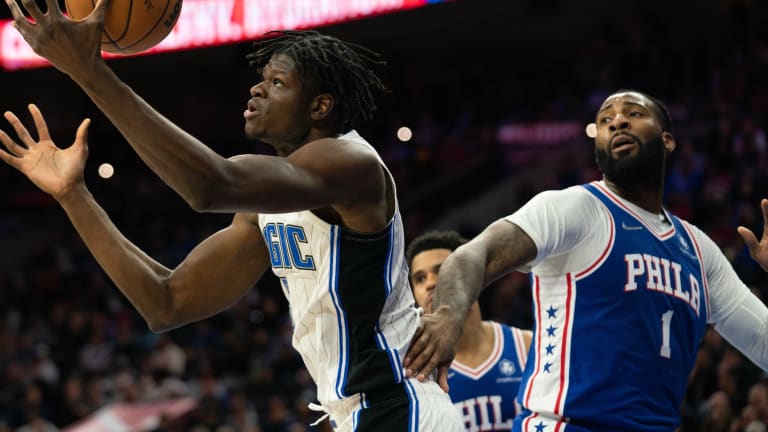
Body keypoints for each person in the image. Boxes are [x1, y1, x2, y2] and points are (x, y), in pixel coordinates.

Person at [0, 0, 463, 430]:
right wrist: (73, 195)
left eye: (277, 83)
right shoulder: (267, 208)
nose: (257, 88)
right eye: (262, 78)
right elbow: (167, 303)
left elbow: (210, 186)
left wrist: (90, 73)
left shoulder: (352, 165)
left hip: (401, 405)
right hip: (361, 414)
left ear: (319, 106)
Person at [402, 90, 768, 431]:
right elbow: (474, 254)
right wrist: (448, 315)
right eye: (606, 120)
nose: (618, 122)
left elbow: (762, 341)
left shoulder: (699, 251)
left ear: (667, 139)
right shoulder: (576, 208)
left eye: (634, 114)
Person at [406, 230, 532, 431]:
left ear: (473, 275)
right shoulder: (413, 368)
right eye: (420, 279)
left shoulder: (525, 346)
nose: (430, 283)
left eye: (441, 270)